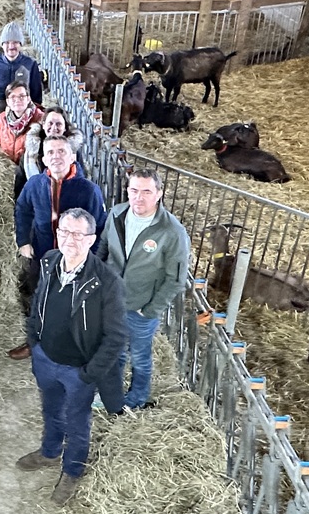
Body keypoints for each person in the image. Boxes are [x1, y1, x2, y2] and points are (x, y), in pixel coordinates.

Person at [16, 208, 126, 507]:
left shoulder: (107, 281)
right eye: (64, 232)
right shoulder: (50, 261)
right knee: (51, 409)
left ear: (91, 239)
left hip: (78, 369)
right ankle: (50, 452)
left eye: (78, 234)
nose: (69, 239)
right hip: (46, 358)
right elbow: (37, 303)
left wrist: (89, 373)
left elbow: (116, 337)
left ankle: (73, 471)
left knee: (78, 422)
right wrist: (35, 342)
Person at [96, 168, 190, 412]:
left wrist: (150, 310)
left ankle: (137, 397)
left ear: (159, 194)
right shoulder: (117, 214)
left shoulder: (172, 231)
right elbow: (104, 246)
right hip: (112, 300)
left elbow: (176, 278)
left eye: (147, 191)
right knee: (113, 351)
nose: (139, 197)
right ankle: (110, 395)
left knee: (140, 357)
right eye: (134, 190)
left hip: (141, 306)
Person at [10, 135, 106, 360]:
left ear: (72, 157)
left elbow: (99, 226)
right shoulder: (35, 184)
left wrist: (90, 259)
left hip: (75, 258)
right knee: (39, 296)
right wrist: (23, 240)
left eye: (62, 151)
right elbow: (22, 209)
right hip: (43, 253)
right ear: (43, 159)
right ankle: (35, 342)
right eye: (50, 152)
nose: (56, 157)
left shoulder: (88, 190)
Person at [0, 21, 43, 113]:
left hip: (22, 109)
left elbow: (36, 93)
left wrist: (35, 112)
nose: (11, 46)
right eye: (7, 42)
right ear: (2, 45)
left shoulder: (30, 64)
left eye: (15, 42)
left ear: (20, 44)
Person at [0, 81, 44, 197]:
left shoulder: (40, 119)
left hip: (30, 172)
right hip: (8, 172)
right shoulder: (1, 119)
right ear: (7, 101)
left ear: (28, 98)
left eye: (22, 96)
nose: (17, 100)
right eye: (13, 97)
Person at [22, 106, 87, 184]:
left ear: (65, 128)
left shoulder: (73, 152)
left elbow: (82, 180)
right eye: (50, 123)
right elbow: (21, 183)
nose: (54, 128)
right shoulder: (31, 153)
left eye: (58, 124)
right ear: (43, 125)